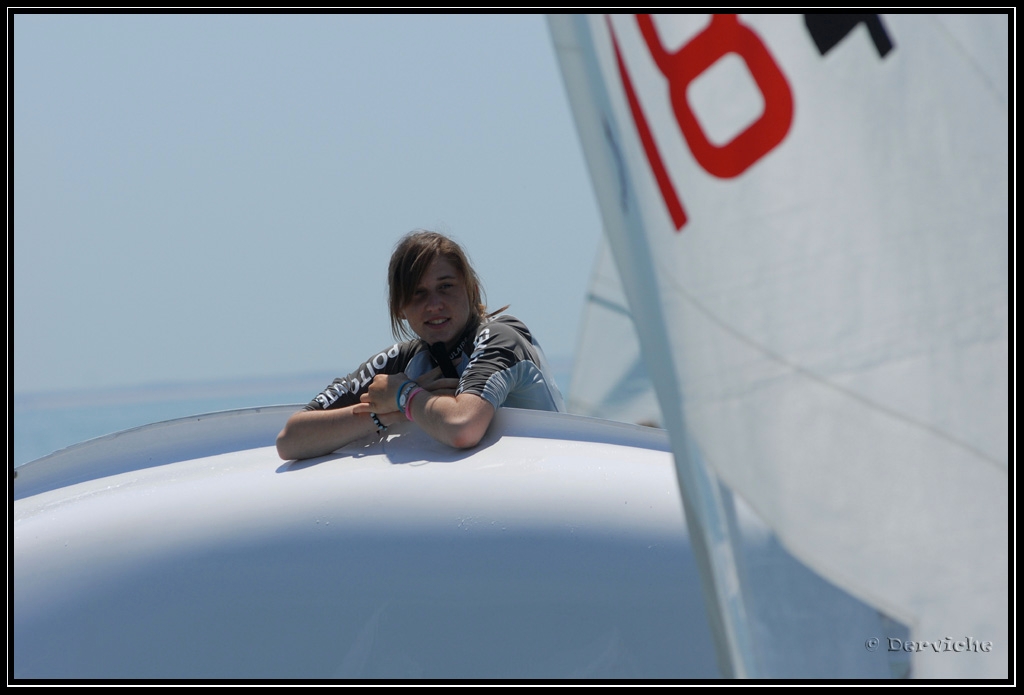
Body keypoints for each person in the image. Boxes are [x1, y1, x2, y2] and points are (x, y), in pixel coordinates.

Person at [276, 230, 564, 460]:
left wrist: (404, 396)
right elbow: (291, 440)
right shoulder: (402, 362)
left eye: (446, 286)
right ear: (400, 308)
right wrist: (384, 412)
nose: (434, 305)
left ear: (472, 289)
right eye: (418, 294)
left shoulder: (501, 338)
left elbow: (463, 427)